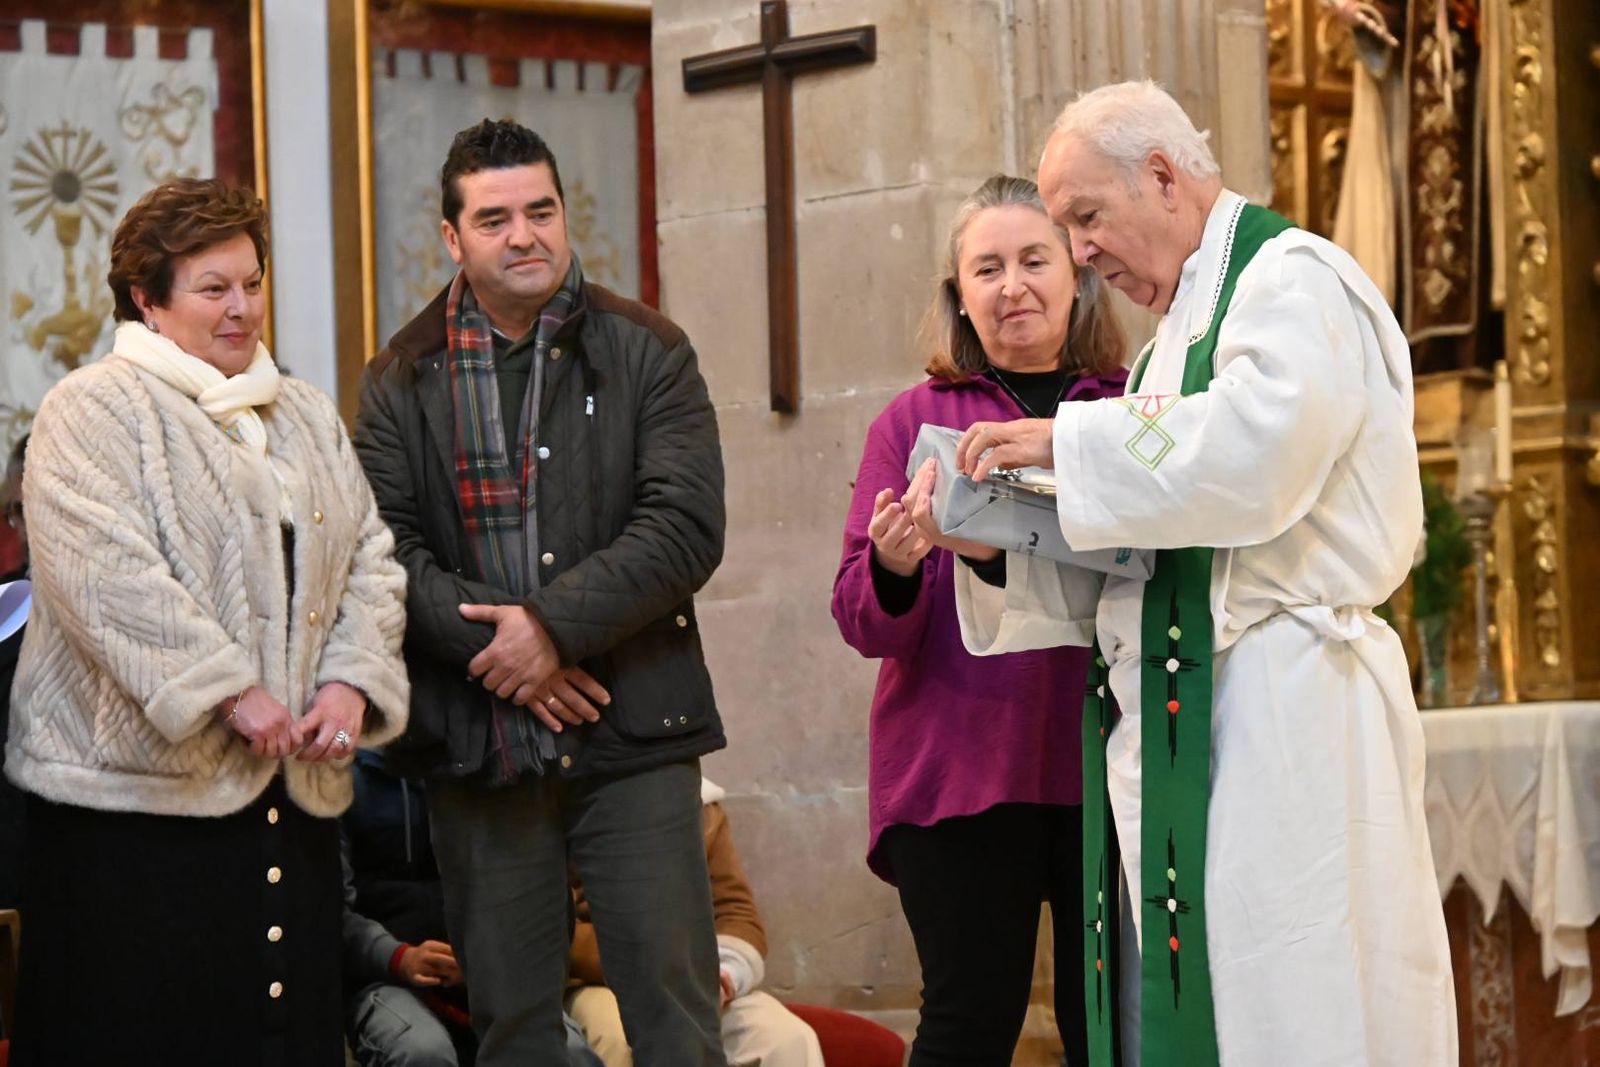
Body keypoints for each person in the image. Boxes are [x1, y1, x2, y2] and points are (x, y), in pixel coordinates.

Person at [931, 81, 1455, 1066]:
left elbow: (1256, 456)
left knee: (1293, 1006)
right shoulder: (1170, 338)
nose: (1080, 252)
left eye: (1085, 218)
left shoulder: (1290, 278)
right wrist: (1000, 541)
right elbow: (1152, 553)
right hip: (1190, 718)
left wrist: (1065, 438)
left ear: (1163, 177)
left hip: (1283, 709)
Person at [3, 178, 411, 1066]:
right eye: (213, 288)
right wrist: (230, 692)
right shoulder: (91, 407)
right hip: (132, 819)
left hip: (288, 798)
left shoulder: (301, 411)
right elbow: (106, 580)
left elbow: (372, 558)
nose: (242, 309)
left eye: (253, 283)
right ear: (147, 299)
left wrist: (350, 682)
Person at [352, 118, 728, 1065]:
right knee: (515, 1027)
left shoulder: (650, 348)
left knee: (675, 1018)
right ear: (452, 238)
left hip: (634, 728)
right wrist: (514, 657)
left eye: (541, 210)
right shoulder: (397, 377)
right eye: (493, 219)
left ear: (565, 215)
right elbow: (383, 555)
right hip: (478, 746)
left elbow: (683, 526)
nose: (524, 235)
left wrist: (551, 629)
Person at [831, 174, 1127, 1065]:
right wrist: (892, 561)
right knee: (967, 1026)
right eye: (986, 268)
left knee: (1111, 1029)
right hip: (960, 774)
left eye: (1034, 260)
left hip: (1107, 768)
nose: (1013, 286)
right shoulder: (916, 418)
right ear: (958, 294)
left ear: (1078, 274)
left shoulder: (1126, 409)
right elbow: (860, 619)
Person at [341, 752, 601, 1067]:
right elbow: (331, 914)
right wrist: (398, 958)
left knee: (569, 1054)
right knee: (422, 1052)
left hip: (493, 970)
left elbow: (533, 895)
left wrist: (484, 959)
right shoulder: (343, 775)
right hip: (386, 977)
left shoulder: (491, 766)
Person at [566, 777, 824, 1067]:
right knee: (616, 1038)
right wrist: (662, 969)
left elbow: (735, 911)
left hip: (696, 977)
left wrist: (724, 974)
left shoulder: (700, 804)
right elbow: (559, 930)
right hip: (599, 981)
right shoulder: (561, 799)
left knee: (786, 1039)